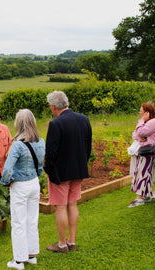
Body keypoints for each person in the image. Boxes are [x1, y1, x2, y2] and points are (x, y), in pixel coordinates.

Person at [44, 90, 92, 253]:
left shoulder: (55, 124)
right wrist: (81, 165)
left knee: (60, 207)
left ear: (53, 106)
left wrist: (49, 171)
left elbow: (50, 154)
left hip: (60, 174)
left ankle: (62, 244)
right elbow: (87, 148)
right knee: (72, 204)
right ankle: (71, 241)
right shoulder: (84, 119)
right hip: (78, 170)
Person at [0, 109, 45, 270]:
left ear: (18, 123)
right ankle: (31, 255)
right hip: (34, 184)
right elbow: (40, 166)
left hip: (20, 185)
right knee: (32, 220)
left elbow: (7, 169)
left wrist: (5, 182)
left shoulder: (18, 145)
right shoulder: (41, 142)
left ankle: (18, 261)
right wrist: (37, 175)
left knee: (18, 222)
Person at [128, 102, 155, 207]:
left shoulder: (151, 122)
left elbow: (140, 133)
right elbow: (135, 134)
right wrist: (140, 136)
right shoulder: (148, 123)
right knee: (145, 173)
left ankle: (139, 198)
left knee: (142, 173)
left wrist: (141, 121)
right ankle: (146, 196)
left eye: (141, 111)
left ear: (147, 113)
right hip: (146, 151)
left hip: (147, 152)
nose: (140, 112)